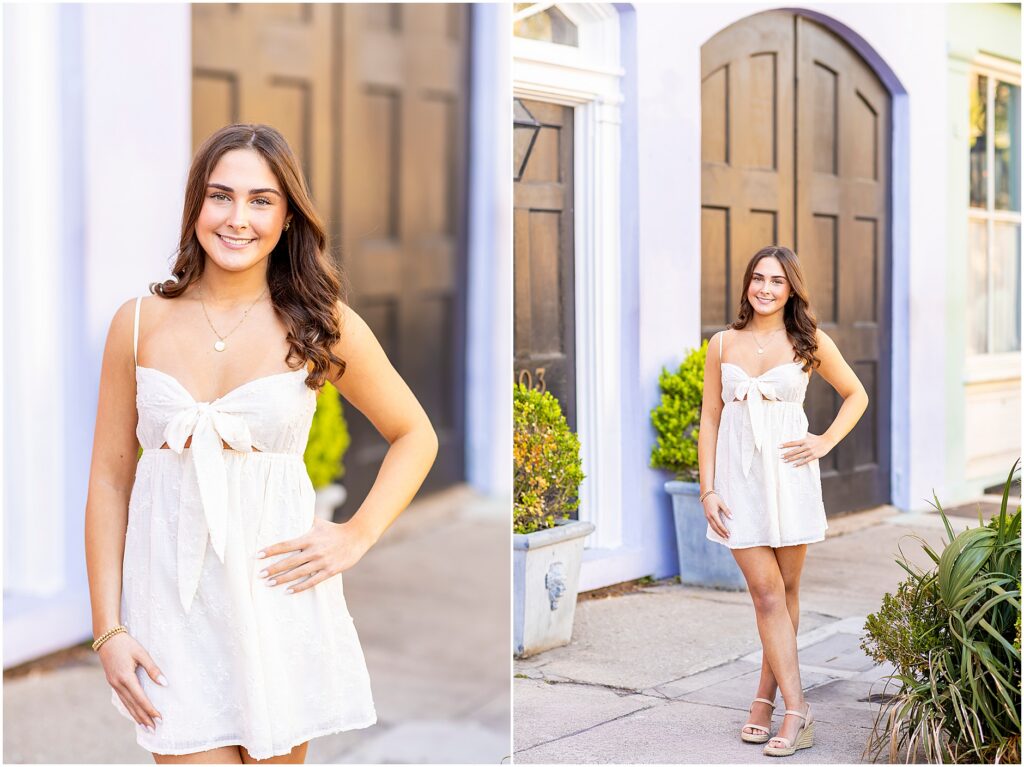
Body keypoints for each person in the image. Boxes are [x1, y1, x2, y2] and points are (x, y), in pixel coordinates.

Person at [84, 124, 438, 764]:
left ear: (287, 216)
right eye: (220, 196)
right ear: (196, 206)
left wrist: (354, 535)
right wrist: (107, 627)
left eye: (260, 200)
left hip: (279, 596)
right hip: (171, 603)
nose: (237, 218)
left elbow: (415, 435)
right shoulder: (136, 323)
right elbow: (110, 481)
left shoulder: (323, 325)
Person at [698, 245, 868, 758]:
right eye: (757, 278)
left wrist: (823, 443)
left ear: (791, 288)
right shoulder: (722, 343)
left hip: (790, 476)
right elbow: (710, 417)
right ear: (747, 284)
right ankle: (800, 709)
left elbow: (855, 394)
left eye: (776, 280)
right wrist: (708, 488)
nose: (765, 288)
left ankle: (764, 699)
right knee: (766, 592)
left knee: (787, 590)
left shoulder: (808, 341)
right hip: (738, 481)